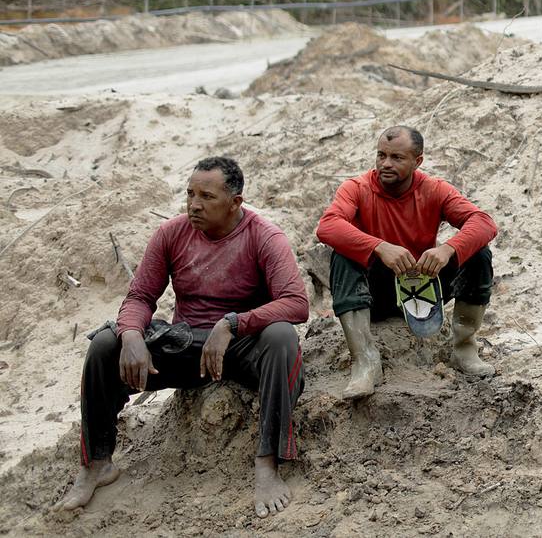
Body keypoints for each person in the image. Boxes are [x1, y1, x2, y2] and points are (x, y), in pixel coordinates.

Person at [59, 157, 308, 518]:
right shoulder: (171, 233)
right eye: (190, 193)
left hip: (240, 349)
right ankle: (97, 462)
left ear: (236, 202)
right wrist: (131, 336)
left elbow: (296, 304)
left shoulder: (264, 236)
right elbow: (141, 297)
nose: (194, 204)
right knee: (104, 344)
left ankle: (267, 463)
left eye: (207, 196)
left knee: (282, 337)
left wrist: (233, 324)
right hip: (187, 344)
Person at [317, 126, 498, 397]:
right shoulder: (356, 188)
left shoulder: (435, 189)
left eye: (397, 158)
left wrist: (448, 249)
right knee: (343, 255)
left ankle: (464, 349)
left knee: (479, 254)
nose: (385, 164)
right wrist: (378, 246)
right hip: (374, 295)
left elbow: (484, 222)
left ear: (418, 161)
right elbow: (327, 227)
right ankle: (365, 362)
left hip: (425, 289)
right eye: (381, 155)